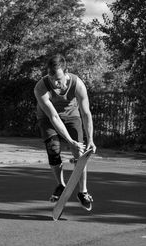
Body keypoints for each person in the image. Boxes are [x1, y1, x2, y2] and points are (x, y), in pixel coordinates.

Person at [34, 54, 96, 211]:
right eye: (51, 78)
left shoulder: (78, 84)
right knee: (53, 151)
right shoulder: (40, 88)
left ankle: (83, 192)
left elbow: (86, 113)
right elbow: (54, 117)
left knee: (80, 153)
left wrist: (90, 140)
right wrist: (70, 141)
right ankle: (61, 185)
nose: (55, 83)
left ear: (66, 73)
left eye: (59, 79)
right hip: (48, 119)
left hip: (72, 116)